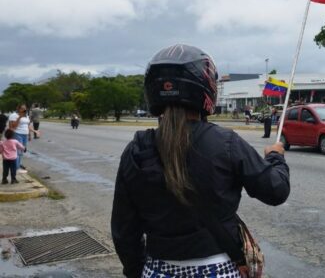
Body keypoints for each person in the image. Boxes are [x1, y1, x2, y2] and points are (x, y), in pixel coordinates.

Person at [111, 44, 290, 278]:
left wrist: (138, 272)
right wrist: (275, 156)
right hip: (219, 269)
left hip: (157, 269)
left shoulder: (136, 149)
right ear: (207, 88)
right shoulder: (225, 142)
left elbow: (124, 230)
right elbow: (276, 190)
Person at [8, 104, 33, 172]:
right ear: (18, 109)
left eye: (25, 108)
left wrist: (30, 135)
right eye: (22, 108)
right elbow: (13, 126)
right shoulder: (13, 115)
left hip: (25, 134)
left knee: (21, 151)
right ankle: (16, 168)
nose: (24, 110)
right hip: (17, 134)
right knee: (17, 151)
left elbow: (28, 125)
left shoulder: (26, 116)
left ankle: (17, 166)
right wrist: (19, 117)